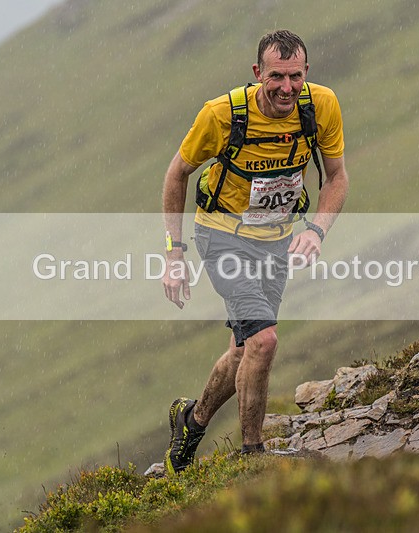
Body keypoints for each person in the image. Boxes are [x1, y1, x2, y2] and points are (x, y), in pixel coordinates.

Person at [160, 29, 349, 475]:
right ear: (257, 73)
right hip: (221, 236)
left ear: (307, 72)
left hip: (276, 240)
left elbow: (337, 178)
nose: (287, 88)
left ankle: (191, 421)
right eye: (276, 76)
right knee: (264, 340)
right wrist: (174, 254)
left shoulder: (321, 105)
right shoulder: (222, 115)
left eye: (296, 76)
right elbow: (176, 174)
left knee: (244, 350)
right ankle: (252, 456)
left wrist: (316, 230)